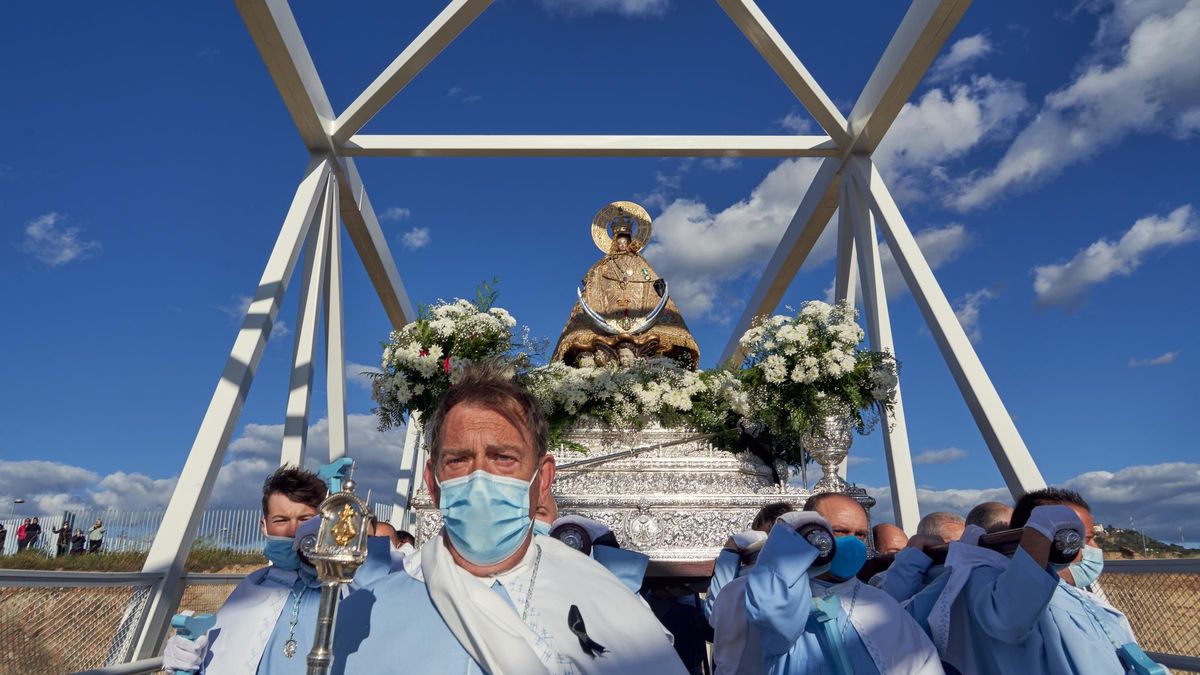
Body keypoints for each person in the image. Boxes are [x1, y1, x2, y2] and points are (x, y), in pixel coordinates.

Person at [333, 362, 687, 674]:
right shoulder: (366, 615)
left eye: (503, 458)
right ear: (433, 481)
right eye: (458, 460)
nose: (480, 479)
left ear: (543, 479)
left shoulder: (610, 605)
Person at [162, 464, 397, 673]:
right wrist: (189, 660)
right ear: (264, 526)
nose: (293, 531)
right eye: (281, 520)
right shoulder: (252, 587)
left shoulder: (348, 585)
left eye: (305, 520)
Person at [927, 488, 1159, 675]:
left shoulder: (1077, 596)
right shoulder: (994, 587)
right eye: (1081, 539)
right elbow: (1007, 619)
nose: (1093, 550)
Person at [717, 493, 941, 674]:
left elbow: (922, 664)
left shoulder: (880, 603)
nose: (852, 541)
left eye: (861, 535)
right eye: (839, 531)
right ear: (811, 531)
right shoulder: (750, 593)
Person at [705, 502, 793, 622]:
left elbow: (716, 612)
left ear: (767, 526)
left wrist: (730, 549)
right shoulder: (801, 568)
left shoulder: (753, 578)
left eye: (756, 527)